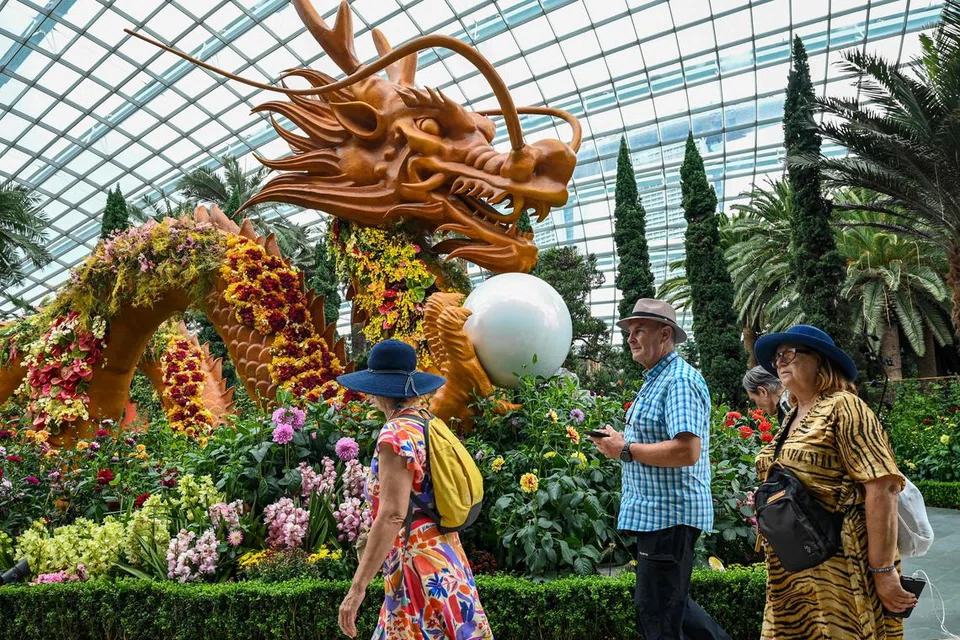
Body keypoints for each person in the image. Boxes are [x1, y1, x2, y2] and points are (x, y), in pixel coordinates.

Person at [753, 325, 915, 639]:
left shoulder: (844, 406)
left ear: (821, 361)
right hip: (794, 569)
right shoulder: (793, 415)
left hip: (839, 565)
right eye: (777, 357)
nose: (779, 362)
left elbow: (883, 486)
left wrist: (882, 571)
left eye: (790, 353)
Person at [589, 299, 731, 640]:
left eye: (639, 330)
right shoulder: (658, 379)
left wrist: (625, 450)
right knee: (673, 608)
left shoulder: (679, 380)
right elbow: (660, 441)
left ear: (665, 334)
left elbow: (686, 450)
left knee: (657, 614)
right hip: (659, 516)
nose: (630, 338)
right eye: (629, 332)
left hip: (670, 515)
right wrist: (621, 442)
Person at [335, 339, 492, 639]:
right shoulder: (426, 422)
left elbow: (393, 514)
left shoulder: (394, 435)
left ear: (378, 390)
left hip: (415, 567)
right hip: (445, 558)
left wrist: (357, 589)